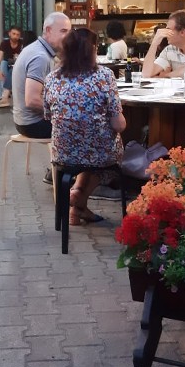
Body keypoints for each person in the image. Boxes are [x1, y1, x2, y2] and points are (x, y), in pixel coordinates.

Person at [44, 27, 126, 226]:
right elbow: (118, 124)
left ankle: (76, 208)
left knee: (85, 150)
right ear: (93, 50)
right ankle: (79, 199)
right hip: (99, 152)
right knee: (107, 153)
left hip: (62, 153)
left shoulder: (52, 78)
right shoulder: (104, 76)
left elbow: (47, 116)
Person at [12, 12, 71, 140]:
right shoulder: (40, 57)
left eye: (69, 32)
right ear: (48, 30)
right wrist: (62, 112)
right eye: (63, 31)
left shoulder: (38, 49)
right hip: (33, 124)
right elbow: (32, 100)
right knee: (83, 125)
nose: (68, 37)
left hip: (24, 121)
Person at [0, 26, 23, 108]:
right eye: (13, 34)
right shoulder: (4, 43)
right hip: (6, 64)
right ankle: (5, 94)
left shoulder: (22, 44)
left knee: (13, 69)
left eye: (17, 35)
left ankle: (4, 96)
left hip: (18, 65)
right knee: (3, 64)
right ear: (9, 34)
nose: (15, 36)